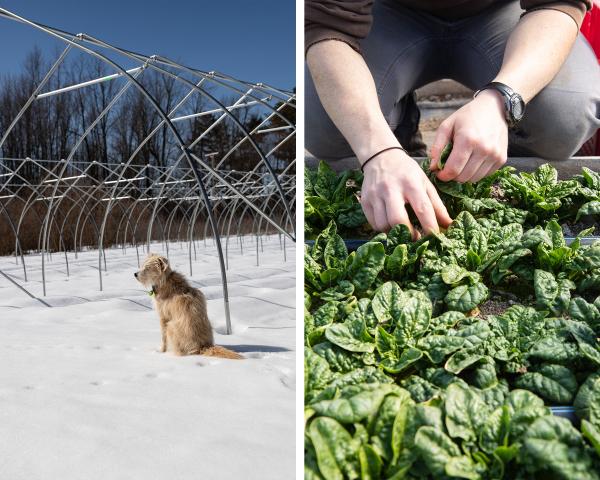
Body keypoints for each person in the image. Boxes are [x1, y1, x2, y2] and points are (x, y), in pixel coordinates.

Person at [305, 0, 600, 237]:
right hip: (386, 14)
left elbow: (559, 4)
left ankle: (494, 178)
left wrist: (502, 100)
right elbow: (325, 24)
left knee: (564, 114)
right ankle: (399, 134)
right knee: (324, 121)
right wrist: (378, 150)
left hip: (501, 13)